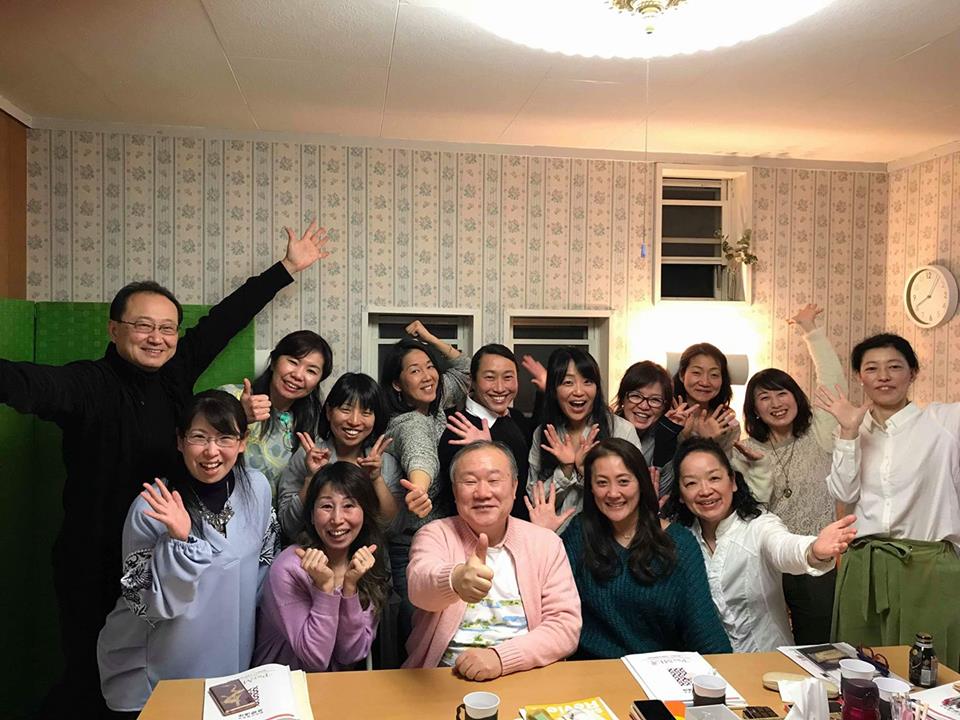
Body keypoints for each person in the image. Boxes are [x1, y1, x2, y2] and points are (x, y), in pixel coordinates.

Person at [0, 221, 327, 718]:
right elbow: (29, 383)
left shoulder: (175, 378)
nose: (157, 338)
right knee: (95, 683)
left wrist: (285, 269)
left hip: (173, 549)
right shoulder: (88, 384)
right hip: (97, 560)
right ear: (114, 329)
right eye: (143, 326)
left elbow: (223, 320)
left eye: (167, 328)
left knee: (179, 683)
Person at [97, 390, 278, 715]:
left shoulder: (258, 489)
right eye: (199, 437)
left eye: (225, 438)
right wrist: (179, 541)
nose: (212, 451)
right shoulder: (152, 508)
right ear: (180, 441)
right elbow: (146, 605)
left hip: (229, 663)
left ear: (242, 442)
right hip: (156, 670)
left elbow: (263, 568)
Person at [816, 333, 960, 670]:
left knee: (930, 673)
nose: (883, 376)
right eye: (872, 368)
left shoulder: (945, 422)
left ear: (913, 372)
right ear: (859, 377)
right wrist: (849, 432)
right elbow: (844, 493)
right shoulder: (852, 429)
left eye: (894, 367)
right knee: (861, 670)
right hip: (864, 566)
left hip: (928, 565)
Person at [404, 441, 581, 679]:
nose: (483, 493)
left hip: (525, 673)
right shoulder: (434, 535)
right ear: (455, 491)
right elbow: (419, 588)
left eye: (494, 480)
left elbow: (565, 626)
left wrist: (500, 658)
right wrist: (455, 580)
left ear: (515, 486)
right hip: (444, 676)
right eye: (469, 482)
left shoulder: (545, 543)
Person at [666, 438, 857, 653]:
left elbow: (782, 546)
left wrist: (812, 551)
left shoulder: (759, 525)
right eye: (691, 483)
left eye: (714, 478)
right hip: (709, 663)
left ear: (733, 481)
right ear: (680, 494)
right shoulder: (679, 539)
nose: (705, 490)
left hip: (767, 659)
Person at [733, 303, 845, 644]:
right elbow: (751, 509)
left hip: (817, 561)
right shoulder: (745, 449)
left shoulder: (819, 433)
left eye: (782, 393)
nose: (776, 403)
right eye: (764, 397)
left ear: (796, 397)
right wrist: (756, 470)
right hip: (768, 562)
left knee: (817, 645)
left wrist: (810, 330)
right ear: (754, 409)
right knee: (769, 643)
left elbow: (831, 381)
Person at [562, 438, 731, 659]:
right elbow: (547, 606)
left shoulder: (679, 543)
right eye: (602, 483)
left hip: (657, 669)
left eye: (623, 481)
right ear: (591, 488)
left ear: (641, 483)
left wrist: (724, 674)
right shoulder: (579, 532)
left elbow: (704, 629)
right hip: (591, 669)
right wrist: (542, 539)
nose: (613, 493)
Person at [379, 320, 472, 647]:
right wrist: (419, 488)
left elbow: (464, 370)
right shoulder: (409, 422)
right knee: (421, 635)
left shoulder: (436, 407)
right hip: (413, 544)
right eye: (415, 371)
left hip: (442, 538)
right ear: (397, 384)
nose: (427, 376)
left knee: (446, 629)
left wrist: (428, 338)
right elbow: (421, 455)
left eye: (430, 367)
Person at [255, 462, 389, 671]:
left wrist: (350, 588)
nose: (337, 519)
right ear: (311, 515)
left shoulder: (365, 562)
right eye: (326, 506)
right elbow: (315, 660)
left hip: (337, 685)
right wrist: (324, 588)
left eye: (349, 505)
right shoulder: (289, 567)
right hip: (284, 683)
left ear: (365, 513)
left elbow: (350, 655)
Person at [527, 347, 642, 533]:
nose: (579, 391)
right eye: (568, 382)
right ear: (554, 390)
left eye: (587, 381)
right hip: (556, 539)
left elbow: (634, 491)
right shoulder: (544, 433)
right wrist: (565, 469)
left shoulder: (621, 430)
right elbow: (535, 500)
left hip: (608, 537)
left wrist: (584, 471)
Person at [276, 372, 402, 542]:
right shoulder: (308, 456)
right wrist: (312, 478)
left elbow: (393, 529)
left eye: (366, 413)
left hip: (370, 556)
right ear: (329, 412)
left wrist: (376, 479)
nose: (354, 421)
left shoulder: (385, 463)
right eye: (345, 410)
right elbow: (288, 527)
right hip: (313, 554)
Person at [221, 330, 333, 500]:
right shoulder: (231, 396)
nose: (298, 375)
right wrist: (239, 417)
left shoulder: (314, 423)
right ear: (273, 362)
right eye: (293, 362)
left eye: (311, 371)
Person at [437, 343, 536, 520]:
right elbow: (461, 502)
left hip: (521, 528)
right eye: (490, 377)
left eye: (508, 377)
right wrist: (483, 449)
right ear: (472, 381)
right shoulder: (460, 427)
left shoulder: (516, 418)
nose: (500, 388)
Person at [613, 360, 686, 498]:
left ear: (664, 407)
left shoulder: (666, 436)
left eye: (655, 400)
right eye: (636, 396)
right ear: (623, 398)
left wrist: (665, 442)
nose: (644, 406)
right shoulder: (604, 429)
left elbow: (663, 494)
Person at [672, 342, 740, 453]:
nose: (705, 382)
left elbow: (727, 464)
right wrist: (680, 435)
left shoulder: (729, 425)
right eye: (696, 372)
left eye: (714, 375)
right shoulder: (668, 416)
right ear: (682, 375)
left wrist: (711, 442)